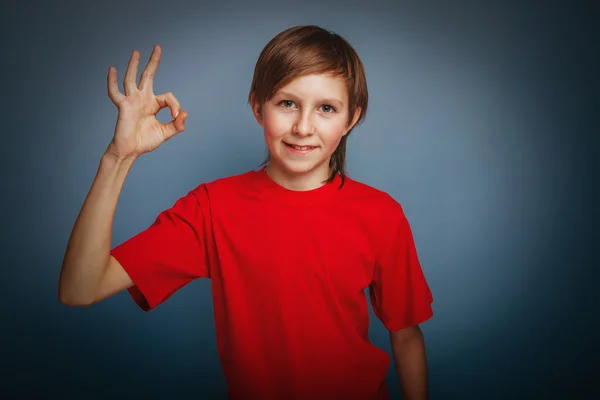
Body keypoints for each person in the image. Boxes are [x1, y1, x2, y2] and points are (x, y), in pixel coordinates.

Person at [58, 25, 434, 400]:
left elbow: (405, 336)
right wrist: (118, 157)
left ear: (350, 119)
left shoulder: (380, 214)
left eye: (326, 108)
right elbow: (81, 288)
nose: (303, 127)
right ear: (258, 107)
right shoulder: (212, 208)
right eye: (287, 103)